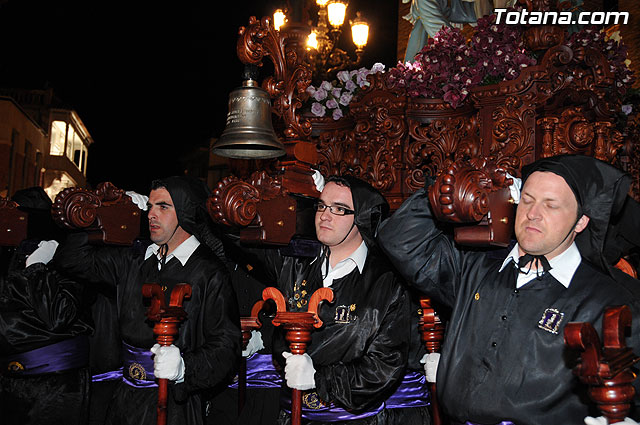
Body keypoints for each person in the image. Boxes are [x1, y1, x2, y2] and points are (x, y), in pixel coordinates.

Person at [377, 154, 640, 425]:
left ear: (581, 222)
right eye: (527, 199)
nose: (533, 213)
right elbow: (398, 239)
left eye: (551, 205)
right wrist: (447, 189)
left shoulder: (610, 303)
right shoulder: (475, 268)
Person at [232, 175, 431, 425]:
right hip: (292, 414)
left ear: (362, 218)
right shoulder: (296, 263)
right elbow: (235, 236)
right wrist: (272, 191)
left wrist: (318, 377)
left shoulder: (388, 283)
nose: (324, 215)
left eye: (339, 209)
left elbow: (385, 365)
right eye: (321, 205)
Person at [47, 176, 241, 425]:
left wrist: (185, 368)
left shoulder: (208, 272)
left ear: (185, 211)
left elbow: (226, 346)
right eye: (150, 206)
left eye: (163, 206)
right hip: (125, 398)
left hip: (174, 404)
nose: (151, 214)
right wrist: (98, 214)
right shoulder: (135, 260)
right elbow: (71, 259)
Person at [0, 187, 93, 425]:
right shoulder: (8, 254)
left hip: (56, 385)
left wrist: (36, 268)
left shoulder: (64, 257)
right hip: (10, 382)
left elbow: (59, 315)